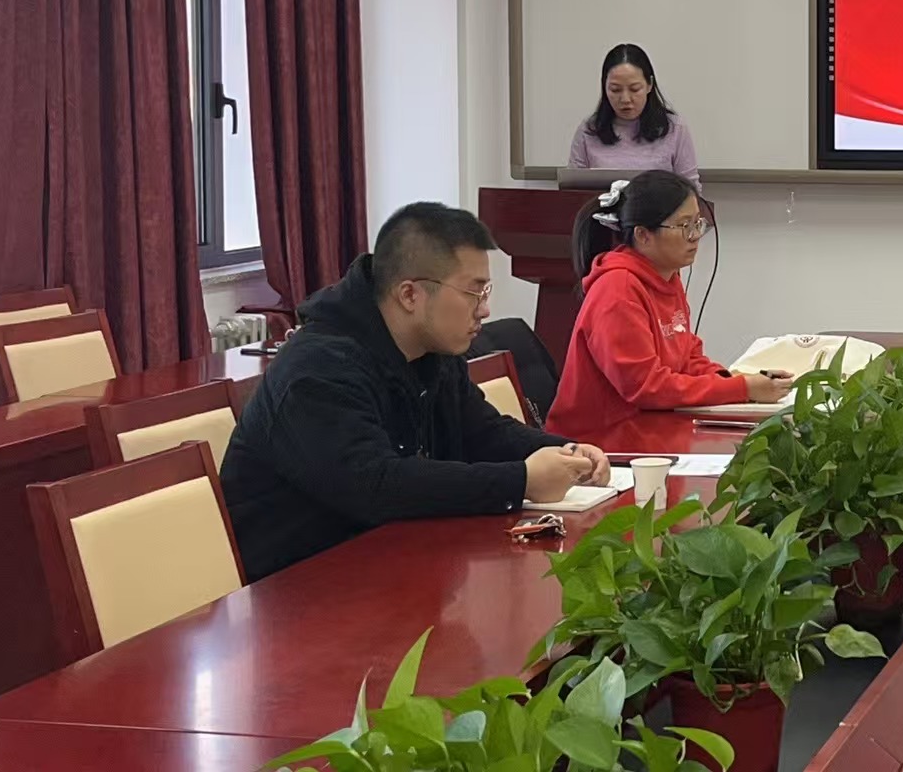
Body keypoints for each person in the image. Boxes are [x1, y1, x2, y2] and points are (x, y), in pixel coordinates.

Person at [220, 202, 610, 581]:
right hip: (300, 589)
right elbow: (377, 486)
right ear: (409, 295)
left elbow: (482, 433)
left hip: (395, 563)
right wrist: (520, 481)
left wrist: (566, 451)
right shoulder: (317, 371)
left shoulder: (430, 351)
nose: (484, 310)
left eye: (486, 291)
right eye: (473, 293)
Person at [548, 171, 792, 441]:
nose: (695, 236)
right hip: (599, 441)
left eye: (698, 223)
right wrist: (742, 388)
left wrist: (734, 380)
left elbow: (687, 357)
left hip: (648, 426)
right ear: (643, 235)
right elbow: (645, 387)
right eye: (684, 226)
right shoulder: (618, 290)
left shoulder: (667, 276)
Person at [567, 43, 701, 191]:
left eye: (635, 89)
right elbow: (573, 192)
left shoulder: (675, 129)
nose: (625, 99)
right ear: (605, 87)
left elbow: (691, 190)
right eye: (615, 90)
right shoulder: (588, 131)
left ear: (649, 85)